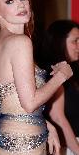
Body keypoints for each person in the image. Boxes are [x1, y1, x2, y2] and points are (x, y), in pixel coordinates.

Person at [0, 0, 73, 155]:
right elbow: (29, 103)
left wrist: (46, 124)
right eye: (9, 1)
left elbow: (12, 102)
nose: (20, 5)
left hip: (6, 137)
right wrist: (62, 75)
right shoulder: (20, 42)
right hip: (24, 143)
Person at [36, 20, 79, 155]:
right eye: (75, 41)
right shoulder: (54, 72)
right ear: (59, 41)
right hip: (66, 146)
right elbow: (58, 117)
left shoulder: (72, 71)